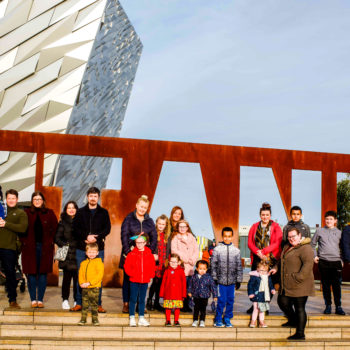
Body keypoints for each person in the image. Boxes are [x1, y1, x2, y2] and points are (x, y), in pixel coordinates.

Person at [71, 187, 111, 313]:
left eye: (95, 196)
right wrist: (85, 237)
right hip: (82, 249)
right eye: (91, 196)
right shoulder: (80, 212)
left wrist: (96, 237)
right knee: (81, 276)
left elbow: (107, 229)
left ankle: (97, 303)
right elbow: (74, 229)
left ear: (98, 197)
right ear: (87, 197)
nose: (93, 198)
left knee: (97, 277)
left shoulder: (103, 212)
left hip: (98, 249)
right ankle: (79, 303)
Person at [273, 227, 315, 341]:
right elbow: (281, 260)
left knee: (299, 308)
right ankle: (292, 320)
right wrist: (276, 268)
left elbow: (308, 265)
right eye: (289, 236)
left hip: (300, 284)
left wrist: (298, 277)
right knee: (282, 302)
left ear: (300, 235)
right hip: (288, 283)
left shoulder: (306, 248)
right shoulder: (287, 246)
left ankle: (300, 333)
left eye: (294, 236)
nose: (291, 239)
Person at [120, 195, 157, 313]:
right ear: (136, 205)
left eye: (145, 207)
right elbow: (124, 235)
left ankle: (140, 305)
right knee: (128, 279)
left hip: (143, 256)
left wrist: (149, 251)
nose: (142, 209)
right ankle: (126, 304)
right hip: (130, 253)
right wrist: (127, 251)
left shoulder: (150, 221)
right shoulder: (128, 219)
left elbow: (154, 237)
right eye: (141, 206)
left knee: (142, 280)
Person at [21, 191, 58, 308]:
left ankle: (40, 299)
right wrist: (23, 242)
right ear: (32, 201)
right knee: (31, 273)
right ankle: (33, 299)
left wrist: (51, 242)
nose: (37, 201)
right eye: (35, 199)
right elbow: (21, 230)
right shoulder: (26, 213)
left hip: (45, 248)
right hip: (29, 248)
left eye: (39, 199)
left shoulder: (50, 213)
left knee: (42, 274)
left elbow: (55, 229)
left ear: (43, 201)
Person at [247, 202, 282, 314]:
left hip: (270, 258)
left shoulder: (275, 226)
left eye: (267, 215)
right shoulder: (254, 226)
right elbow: (249, 242)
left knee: (268, 283)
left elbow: (277, 242)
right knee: (256, 282)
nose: (265, 217)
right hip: (257, 257)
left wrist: (265, 251)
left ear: (270, 215)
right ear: (260, 215)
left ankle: (264, 306)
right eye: (263, 215)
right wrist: (258, 252)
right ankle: (255, 306)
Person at [311, 210, 345, 315]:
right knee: (325, 285)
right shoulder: (319, 231)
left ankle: (338, 307)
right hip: (323, 261)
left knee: (336, 285)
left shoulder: (340, 233)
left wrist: (342, 259)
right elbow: (312, 244)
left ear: (335, 221)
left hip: (336, 262)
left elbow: (344, 247)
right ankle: (328, 306)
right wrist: (315, 256)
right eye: (327, 219)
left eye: (331, 219)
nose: (328, 221)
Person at [0, 189, 28, 308]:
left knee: (10, 274)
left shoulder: (21, 213)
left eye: (13, 198)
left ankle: (12, 300)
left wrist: (6, 224)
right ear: (6, 199)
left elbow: (22, 228)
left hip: (9, 248)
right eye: (9, 198)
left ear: (17, 199)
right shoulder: (2, 210)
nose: (11, 200)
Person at [211, 227, 243, 328]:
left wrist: (239, 280)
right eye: (225, 236)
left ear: (232, 237)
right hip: (221, 281)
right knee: (221, 300)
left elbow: (239, 266)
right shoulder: (217, 249)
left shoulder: (236, 251)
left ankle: (228, 317)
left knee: (230, 300)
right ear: (222, 236)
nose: (227, 238)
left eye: (229, 236)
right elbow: (213, 265)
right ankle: (218, 318)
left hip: (232, 282)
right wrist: (214, 278)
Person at [124, 233, 156, 326]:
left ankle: (141, 317)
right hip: (134, 280)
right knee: (133, 299)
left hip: (145, 280)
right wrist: (132, 274)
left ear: (145, 243)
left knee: (142, 299)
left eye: (141, 242)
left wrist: (150, 275)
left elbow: (152, 266)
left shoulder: (149, 254)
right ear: (135, 243)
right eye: (137, 242)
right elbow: (127, 266)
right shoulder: (131, 254)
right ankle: (132, 317)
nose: (139, 244)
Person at [171, 219, 199, 312]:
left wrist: (193, 260)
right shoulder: (175, 238)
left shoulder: (192, 238)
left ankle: (187, 304)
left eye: (184, 227)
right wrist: (186, 258)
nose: (182, 228)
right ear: (178, 228)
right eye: (180, 226)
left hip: (190, 267)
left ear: (187, 228)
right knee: (180, 287)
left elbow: (196, 250)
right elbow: (174, 251)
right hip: (181, 267)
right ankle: (180, 305)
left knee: (189, 287)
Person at [55, 201, 79, 310]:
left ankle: (77, 300)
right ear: (66, 210)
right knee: (66, 279)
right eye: (69, 208)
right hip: (67, 255)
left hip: (78, 254)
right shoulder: (62, 222)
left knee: (78, 280)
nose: (71, 210)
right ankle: (65, 300)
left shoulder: (80, 221)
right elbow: (57, 238)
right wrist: (66, 245)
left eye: (73, 208)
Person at [147, 214, 170, 311]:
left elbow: (168, 249)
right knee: (154, 283)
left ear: (166, 225)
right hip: (156, 262)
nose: (161, 226)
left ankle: (156, 302)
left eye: (163, 224)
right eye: (159, 223)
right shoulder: (153, 234)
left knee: (160, 284)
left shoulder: (167, 236)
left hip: (163, 263)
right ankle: (149, 301)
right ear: (156, 223)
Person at [78, 243, 104, 326]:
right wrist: (81, 283)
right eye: (89, 252)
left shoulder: (99, 263)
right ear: (86, 253)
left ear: (97, 253)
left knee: (94, 304)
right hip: (85, 287)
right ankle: (83, 319)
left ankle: (95, 319)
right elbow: (80, 274)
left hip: (94, 287)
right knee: (84, 304)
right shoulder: (83, 263)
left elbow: (99, 275)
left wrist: (90, 283)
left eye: (93, 252)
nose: (91, 254)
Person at [188, 260, 217, 327]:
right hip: (196, 296)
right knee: (196, 309)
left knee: (203, 309)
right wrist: (189, 291)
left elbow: (213, 287)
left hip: (205, 296)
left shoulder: (209, 278)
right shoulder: (194, 277)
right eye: (200, 269)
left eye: (204, 269)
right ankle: (195, 320)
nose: (202, 270)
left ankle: (202, 320)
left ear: (206, 269)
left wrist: (215, 295)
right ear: (197, 269)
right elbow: (190, 285)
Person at [159, 253, 187, 326]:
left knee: (177, 307)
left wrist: (184, 294)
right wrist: (162, 293)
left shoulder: (181, 271)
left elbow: (184, 284)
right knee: (168, 307)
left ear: (179, 262)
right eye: (171, 262)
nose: (173, 263)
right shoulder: (167, 271)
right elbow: (163, 283)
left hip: (178, 293)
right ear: (169, 262)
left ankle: (176, 320)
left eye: (175, 262)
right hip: (168, 293)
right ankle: (168, 320)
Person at [247, 261, 276, 328]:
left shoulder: (267, 277)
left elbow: (270, 284)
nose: (263, 272)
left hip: (264, 296)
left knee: (262, 310)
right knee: (256, 308)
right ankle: (253, 321)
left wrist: (272, 289)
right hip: (256, 295)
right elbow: (250, 285)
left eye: (265, 271)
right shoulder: (254, 277)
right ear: (257, 269)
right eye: (261, 270)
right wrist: (251, 293)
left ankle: (261, 321)